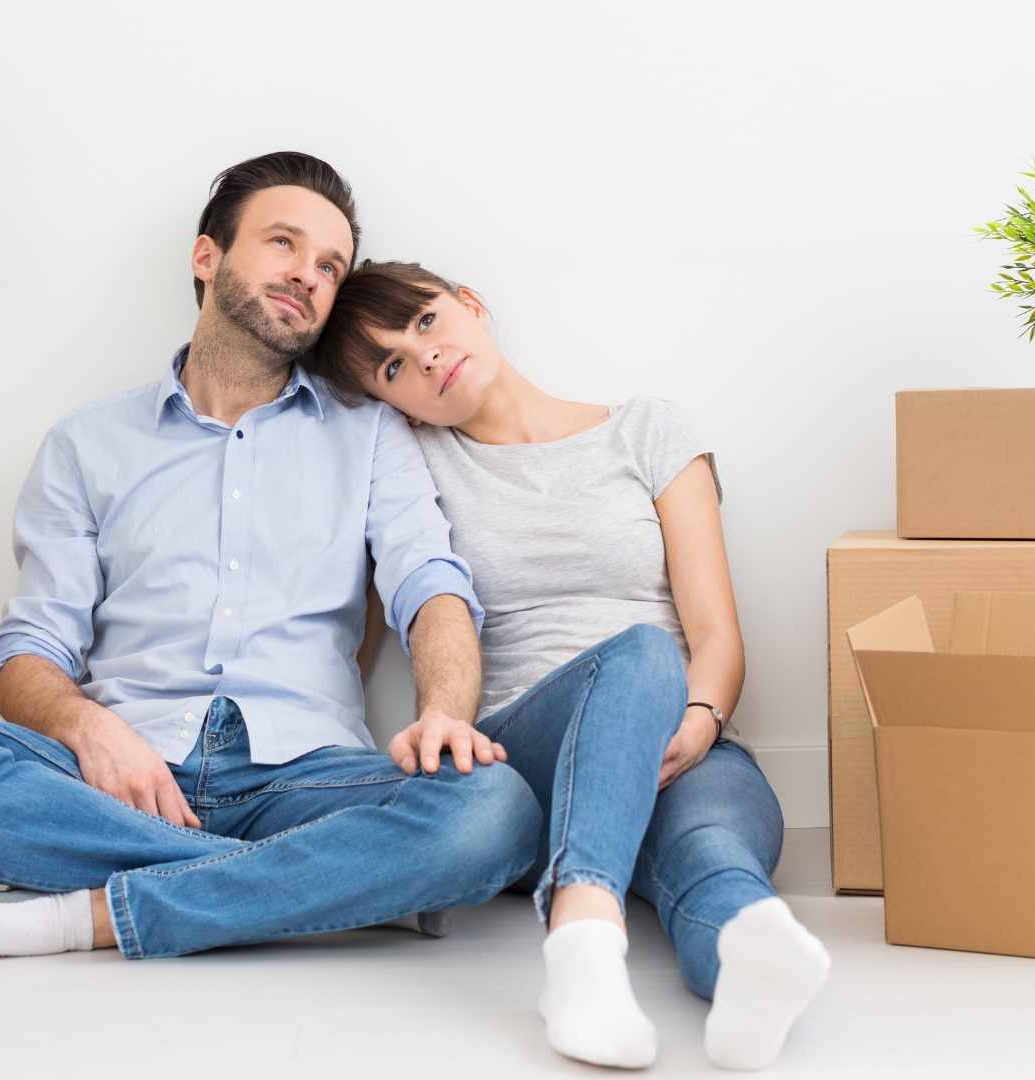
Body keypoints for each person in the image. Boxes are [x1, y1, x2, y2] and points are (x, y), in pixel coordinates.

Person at [0, 155, 540, 967]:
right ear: (207, 257)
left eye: (329, 266)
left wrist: (445, 716)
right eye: (284, 243)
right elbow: (29, 652)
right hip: (111, 782)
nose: (308, 276)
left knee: (495, 807)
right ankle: (334, 892)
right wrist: (88, 728)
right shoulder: (86, 443)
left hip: (305, 784)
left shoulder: (371, 432)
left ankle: (76, 919)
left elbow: (432, 591)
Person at [311, 261, 830, 1072]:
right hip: (530, 750)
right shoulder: (414, 468)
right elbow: (371, 623)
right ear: (388, 401)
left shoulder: (648, 429)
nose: (426, 359)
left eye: (423, 323)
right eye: (392, 368)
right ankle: (581, 940)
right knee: (644, 650)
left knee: (712, 848)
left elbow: (717, 632)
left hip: (684, 734)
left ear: (470, 305)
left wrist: (699, 725)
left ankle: (748, 970)